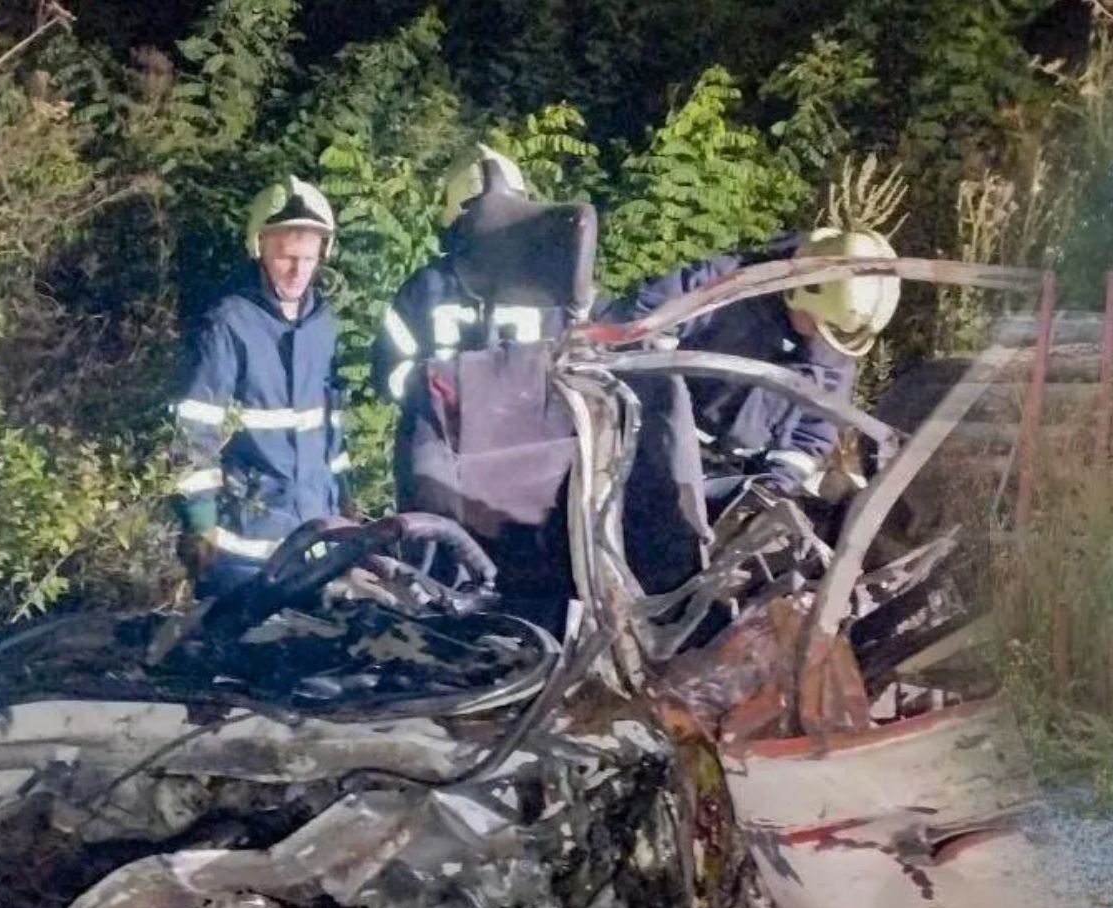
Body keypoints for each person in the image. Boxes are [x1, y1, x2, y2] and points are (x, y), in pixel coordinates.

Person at [597, 227, 902, 591]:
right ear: (800, 289)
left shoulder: (832, 353)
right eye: (821, 326)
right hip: (651, 453)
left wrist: (772, 489)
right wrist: (661, 394)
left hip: (737, 477)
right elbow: (639, 327)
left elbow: (812, 436)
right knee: (656, 555)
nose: (821, 339)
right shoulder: (726, 289)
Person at [171, 176, 351, 598]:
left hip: (315, 535)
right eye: (287, 257)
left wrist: (345, 497)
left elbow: (331, 426)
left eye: (308, 258)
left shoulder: (323, 324)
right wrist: (200, 524)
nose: (298, 270)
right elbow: (195, 431)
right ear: (260, 250)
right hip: (244, 546)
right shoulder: (228, 324)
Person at [373, 144, 564, 510]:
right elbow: (390, 375)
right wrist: (442, 389)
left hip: (523, 466)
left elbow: (564, 374)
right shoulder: (424, 290)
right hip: (440, 462)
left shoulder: (545, 292)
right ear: (459, 221)